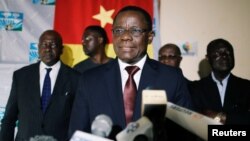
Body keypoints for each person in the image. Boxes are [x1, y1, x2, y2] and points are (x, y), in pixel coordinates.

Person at [68, 6, 193, 140]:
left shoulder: (172, 78)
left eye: (135, 30)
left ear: (150, 37)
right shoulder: (89, 79)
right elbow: (77, 134)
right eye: (119, 30)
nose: (125, 36)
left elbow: (185, 134)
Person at [0, 30, 80, 141]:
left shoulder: (75, 78)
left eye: (53, 44)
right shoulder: (21, 76)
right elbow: (9, 118)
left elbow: (80, 120)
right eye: (44, 44)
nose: (48, 49)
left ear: (61, 49)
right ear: (38, 48)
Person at [190, 38, 250, 125]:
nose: (225, 56)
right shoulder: (195, 88)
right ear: (208, 58)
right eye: (218, 53)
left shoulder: (246, 87)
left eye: (228, 52)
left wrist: (223, 118)